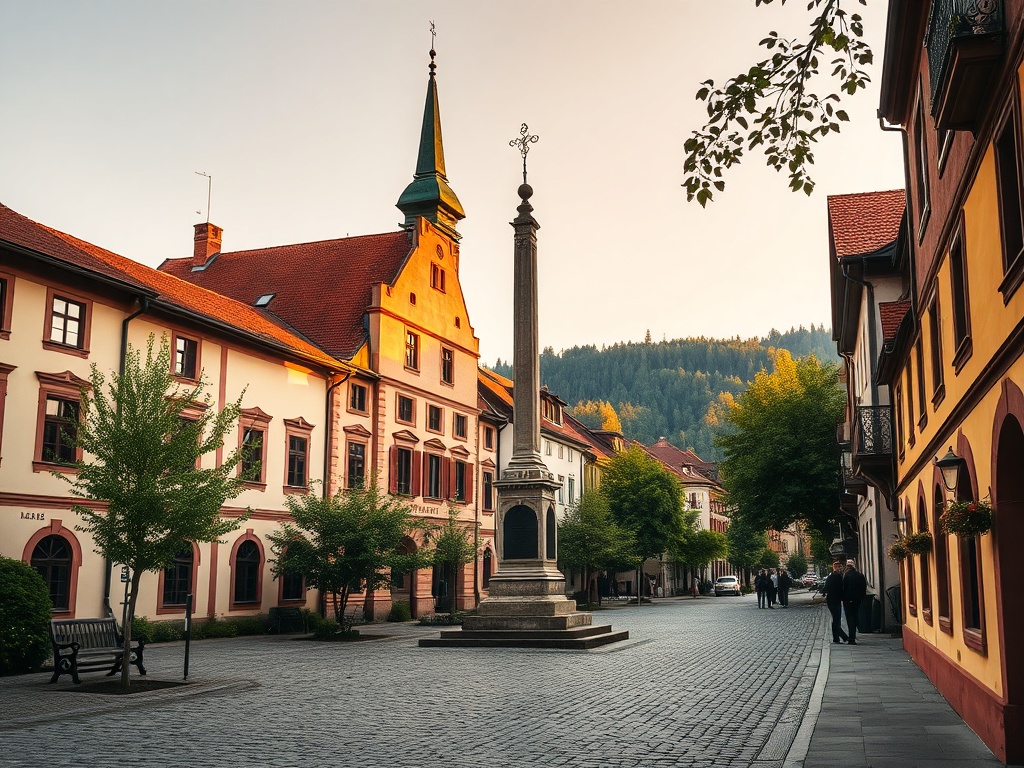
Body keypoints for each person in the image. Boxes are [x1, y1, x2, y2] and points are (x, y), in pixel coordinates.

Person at [842, 559, 868, 645]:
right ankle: (853, 635)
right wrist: (861, 598)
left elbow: (843, 588)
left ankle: (852, 638)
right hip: (857, 600)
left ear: (847, 566)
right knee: (855, 617)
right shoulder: (860, 575)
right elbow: (864, 587)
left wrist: (843, 598)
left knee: (850, 619)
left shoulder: (846, 576)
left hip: (848, 600)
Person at [823, 561, 849, 643]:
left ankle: (836, 638)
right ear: (835, 568)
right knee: (836, 620)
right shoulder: (837, 576)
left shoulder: (831, 576)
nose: (841, 568)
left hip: (831, 600)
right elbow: (840, 589)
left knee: (835, 619)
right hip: (835, 600)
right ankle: (844, 637)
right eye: (840, 567)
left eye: (841, 567)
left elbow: (826, 588)